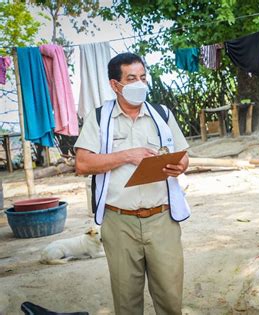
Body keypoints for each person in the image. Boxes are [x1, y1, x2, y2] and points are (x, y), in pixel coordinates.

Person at [75, 52, 190, 315]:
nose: (140, 84)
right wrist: (127, 155)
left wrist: (179, 165)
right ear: (115, 85)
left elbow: (184, 157)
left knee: (171, 299)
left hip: (163, 219)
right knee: (126, 303)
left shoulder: (162, 114)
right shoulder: (100, 117)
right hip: (119, 222)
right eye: (131, 78)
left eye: (143, 77)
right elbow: (82, 164)